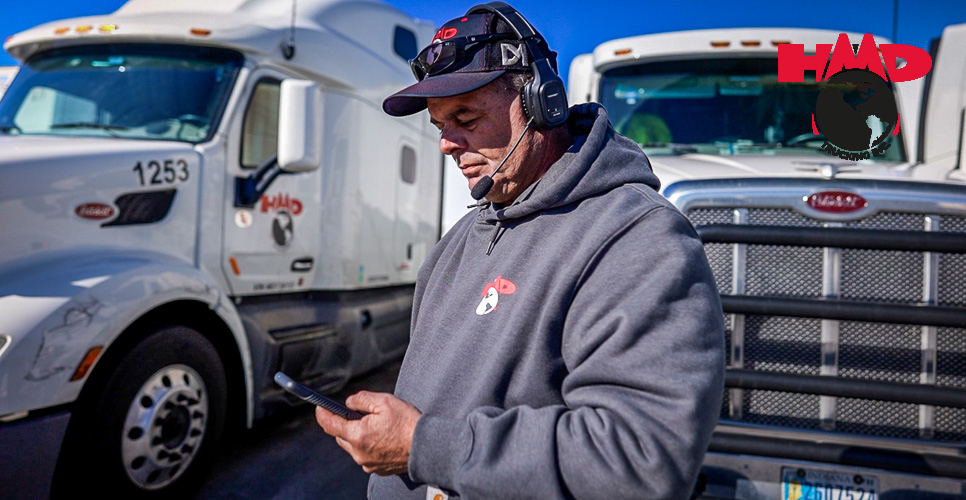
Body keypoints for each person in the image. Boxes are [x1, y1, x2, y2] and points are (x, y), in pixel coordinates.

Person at [315, 3, 725, 498]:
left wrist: (424, 446)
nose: (447, 144)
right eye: (440, 126)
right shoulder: (457, 244)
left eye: (465, 117)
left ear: (541, 102)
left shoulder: (636, 237)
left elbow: (639, 460)